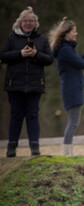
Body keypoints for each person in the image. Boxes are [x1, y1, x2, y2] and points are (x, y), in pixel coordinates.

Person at [0, 6, 53, 157]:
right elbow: (2, 56)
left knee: (33, 115)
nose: (28, 23)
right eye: (25, 21)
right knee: (16, 116)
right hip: (14, 84)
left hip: (35, 84)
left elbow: (49, 59)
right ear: (20, 23)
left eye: (31, 21)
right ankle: (11, 147)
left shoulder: (42, 39)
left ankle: (34, 147)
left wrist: (36, 54)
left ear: (36, 23)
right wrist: (20, 54)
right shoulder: (11, 38)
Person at [48, 18, 84, 157]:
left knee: (73, 122)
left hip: (73, 89)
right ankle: (67, 153)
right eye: (74, 31)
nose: (76, 33)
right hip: (72, 90)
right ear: (66, 33)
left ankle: (67, 152)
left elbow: (81, 62)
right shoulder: (65, 51)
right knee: (73, 122)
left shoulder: (67, 50)